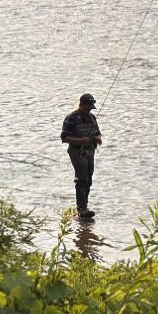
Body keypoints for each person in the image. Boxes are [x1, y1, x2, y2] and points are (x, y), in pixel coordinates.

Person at [60, 93, 102, 222]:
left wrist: (98, 139)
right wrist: (80, 140)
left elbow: (98, 133)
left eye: (91, 107)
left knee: (88, 179)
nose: (89, 109)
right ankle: (82, 210)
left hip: (90, 151)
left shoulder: (92, 118)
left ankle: (85, 207)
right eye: (88, 107)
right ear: (81, 104)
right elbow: (64, 137)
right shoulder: (71, 118)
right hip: (76, 151)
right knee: (82, 179)